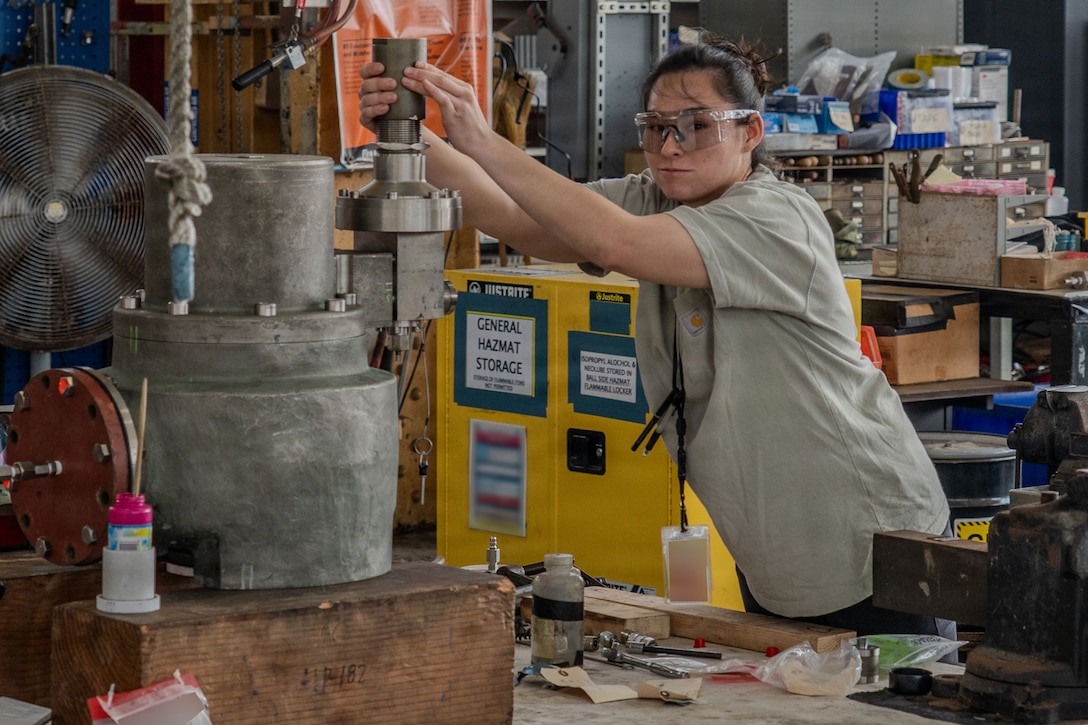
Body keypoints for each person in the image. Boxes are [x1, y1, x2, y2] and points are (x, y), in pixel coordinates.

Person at [358, 34, 953, 638]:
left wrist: (482, 137)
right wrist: (410, 133)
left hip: (874, 542)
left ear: (751, 131)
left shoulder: (776, 217)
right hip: (778, 551)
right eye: (657, 127)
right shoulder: (657, 202)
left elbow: (612, 244)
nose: (670, 147)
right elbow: (518, 219)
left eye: (697, 127)